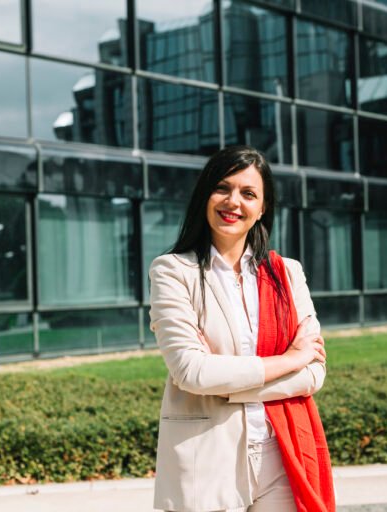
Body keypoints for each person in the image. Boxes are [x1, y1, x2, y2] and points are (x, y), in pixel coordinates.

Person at [149, 145, 335, 512]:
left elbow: (314, 372)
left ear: (262, 208)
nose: (233, 201)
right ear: (205, 194)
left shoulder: (286, 273)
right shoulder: (173, 272)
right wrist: (289, 359)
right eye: (223, 187)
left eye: (248, 193)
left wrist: (228, 386)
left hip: (281, 454)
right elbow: (191, 370)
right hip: (207, 457)